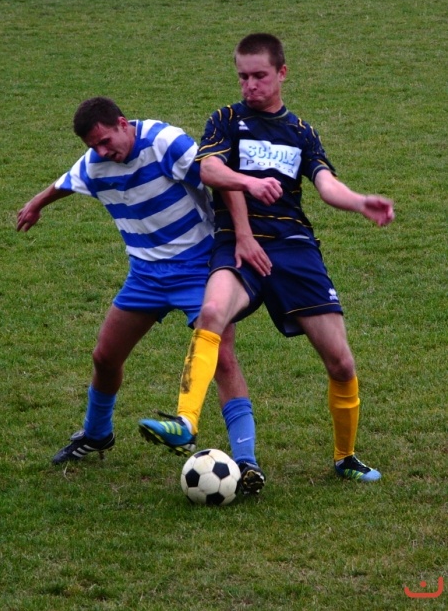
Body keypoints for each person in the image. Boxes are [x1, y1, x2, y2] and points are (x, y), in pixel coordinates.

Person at [138, 33, 395, 483]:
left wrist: (359, 202)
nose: (250, 85)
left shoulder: (301, 132)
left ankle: (345, 457)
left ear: (282, 73)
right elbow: (210, 169)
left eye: (259, 76)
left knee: (341, 362)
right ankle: (186, 421)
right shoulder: (225, 120)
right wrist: (249, 194)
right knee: (212, 312)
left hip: (294, 249)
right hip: (236, 245)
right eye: (243, 76)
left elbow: (325, 183)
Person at [17, 96, 269, 493]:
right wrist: (37, 203)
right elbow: (68, 181)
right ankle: (97, 434)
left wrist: (242, 235)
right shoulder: (96, 162)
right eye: (93, 146)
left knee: (222, 358)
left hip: (199, 267)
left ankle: (247, 462)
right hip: (146, 277)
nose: (102, 152)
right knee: (105, 357)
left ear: (123, 123)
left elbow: (219, 178)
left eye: (105, 141)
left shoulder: (165, 142)